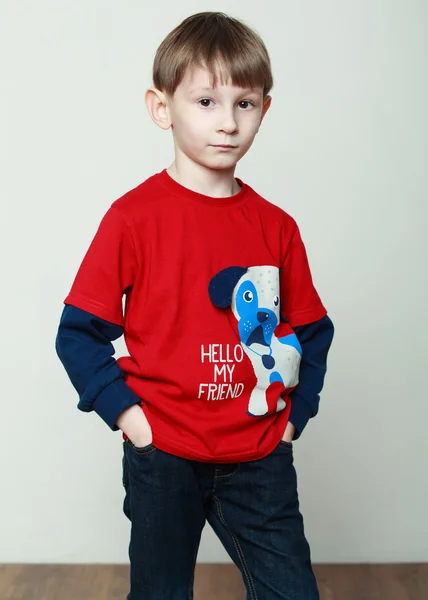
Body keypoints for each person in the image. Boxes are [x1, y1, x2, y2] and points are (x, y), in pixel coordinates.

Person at [55, 11, 334, 600]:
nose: (228, 123)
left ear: (265, 110)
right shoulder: (133, 219)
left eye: (245, 103)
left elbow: (313, 328)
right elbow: (78, 334)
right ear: (162, 109)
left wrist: (294, 418)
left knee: (292, 592)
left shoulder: (277, 227)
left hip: (259, 455)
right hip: (164, 455)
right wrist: (133, 422)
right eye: (206, 102)